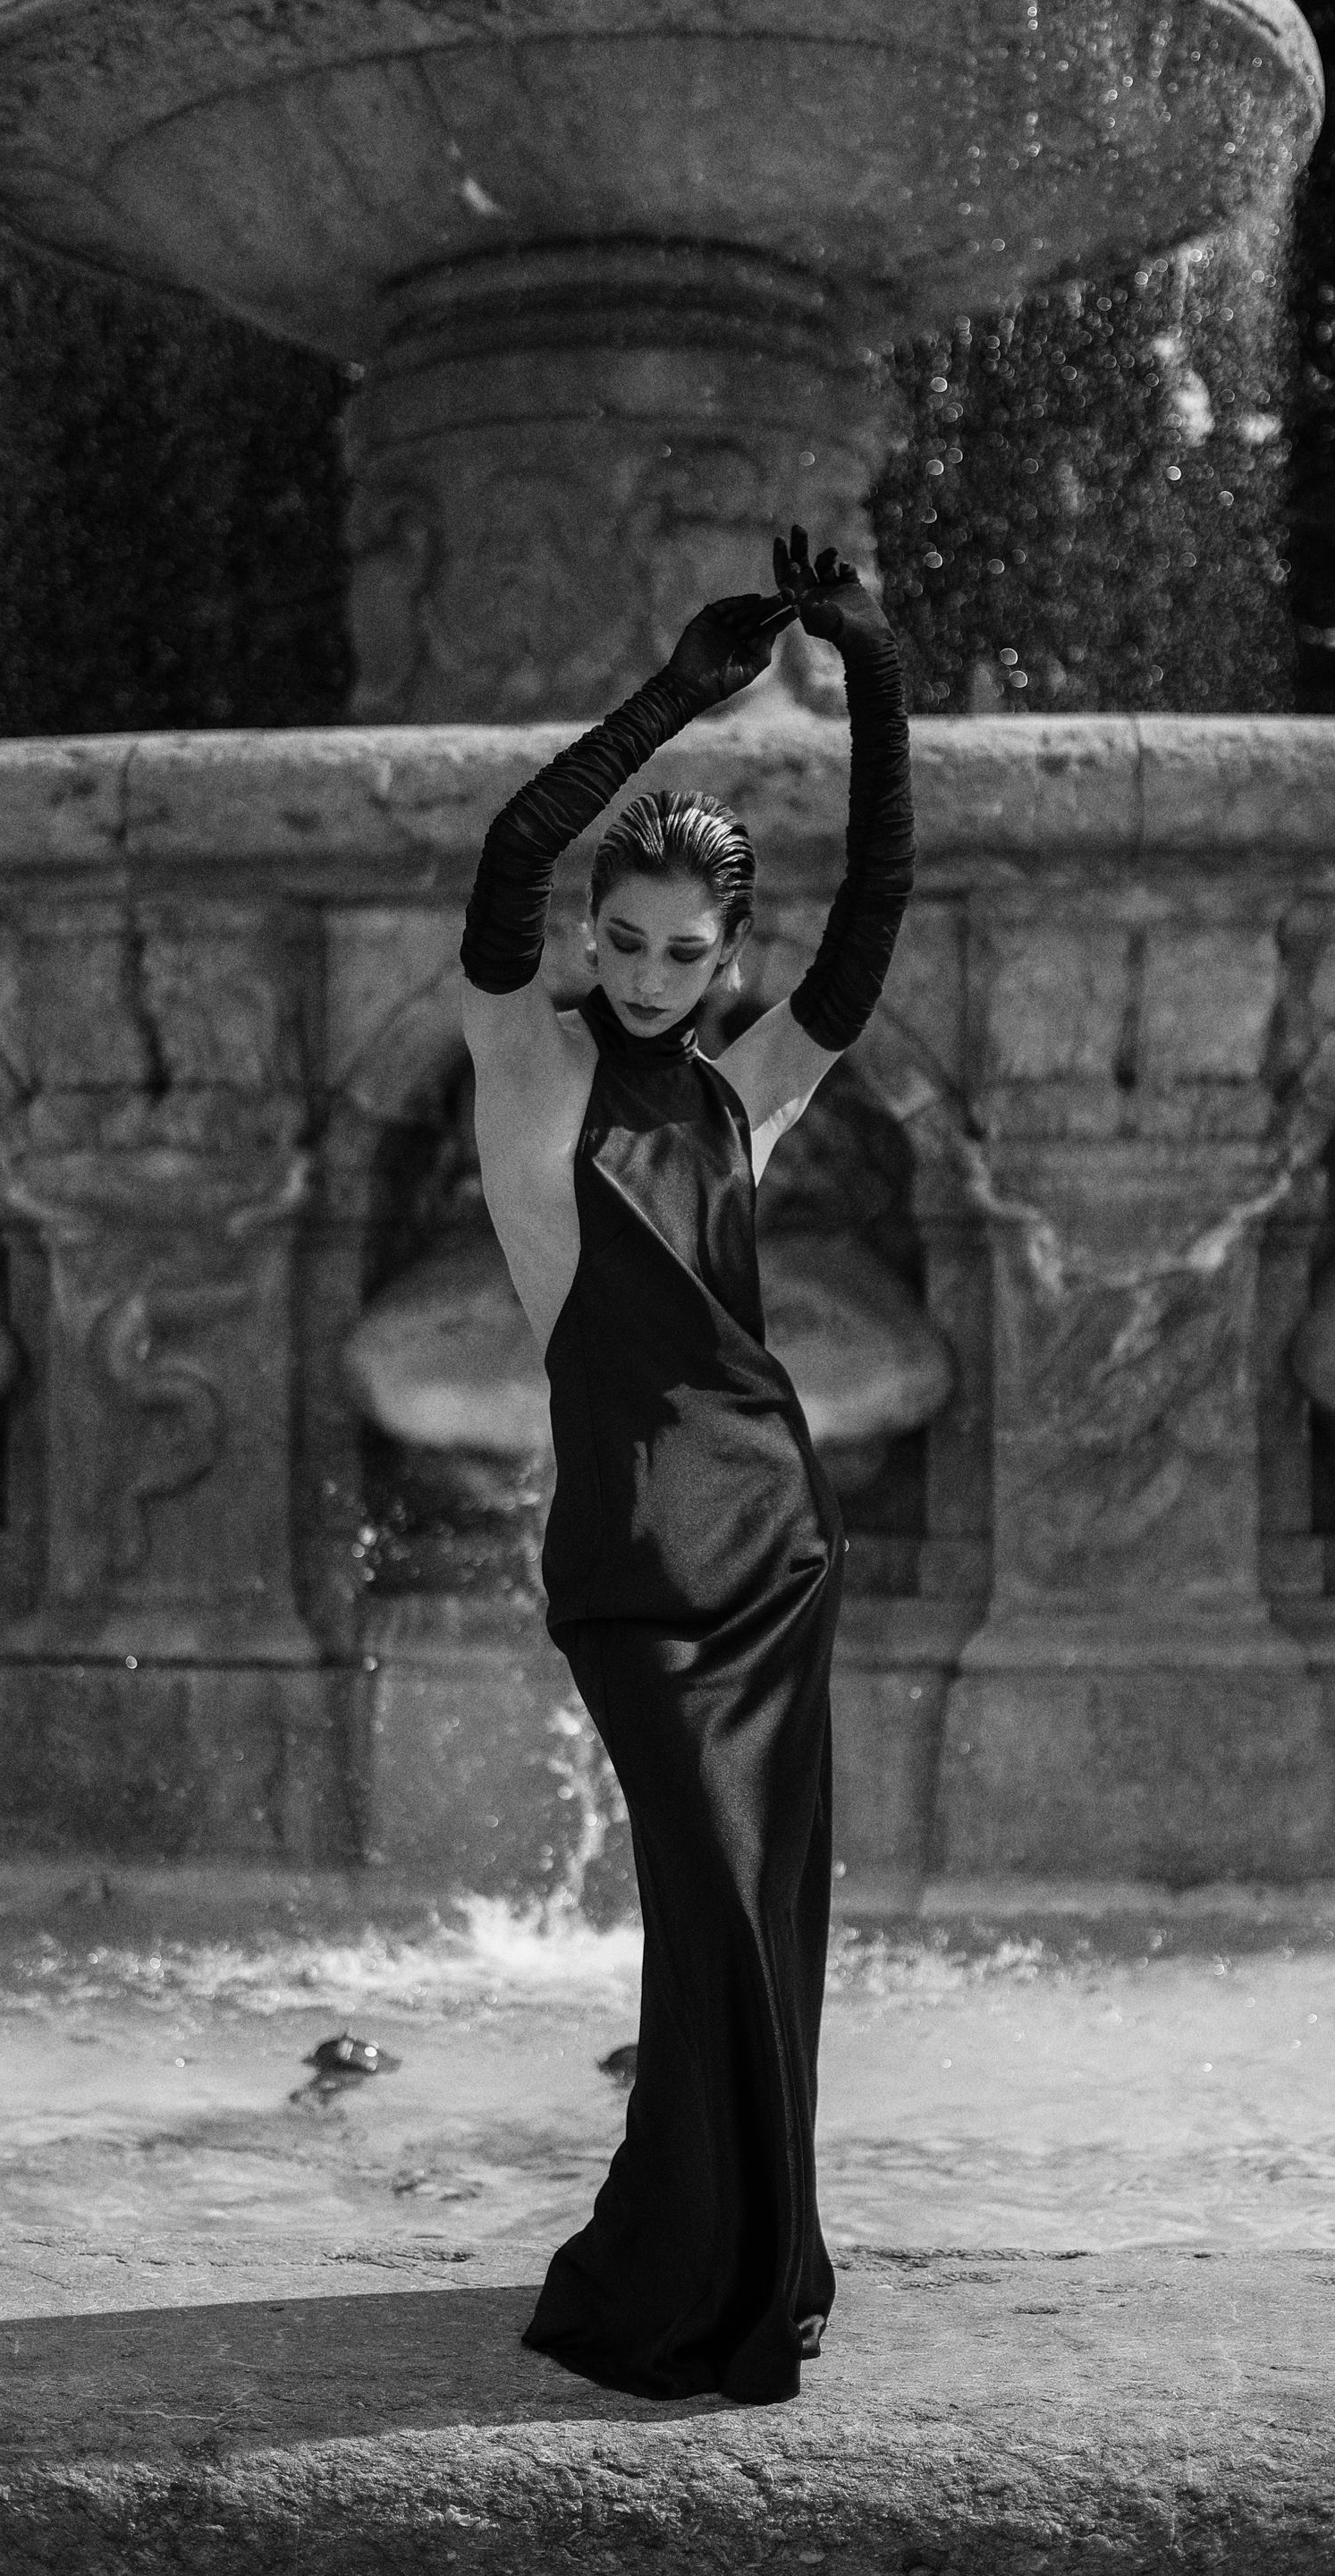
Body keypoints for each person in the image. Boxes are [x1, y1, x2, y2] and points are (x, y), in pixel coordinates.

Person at [459, 525, 916, 2404]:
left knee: (770, 1913)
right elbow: (505, 864)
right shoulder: (532, 1065)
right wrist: (678, 688)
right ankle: (689, 2260)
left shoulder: (745, 1087)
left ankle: (748, 2257)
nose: (649, 974)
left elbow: (875, 918)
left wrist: (873, 680)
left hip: (775, 1548)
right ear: (595, 938)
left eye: (684, 952)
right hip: (637, 1565)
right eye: (624, 942)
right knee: (714, 1898)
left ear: (728, 957)